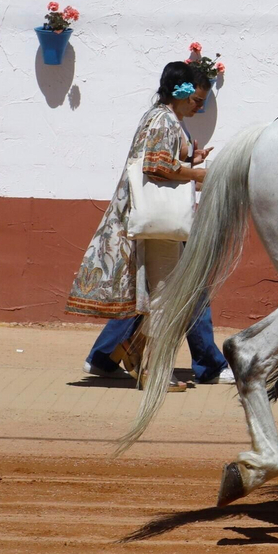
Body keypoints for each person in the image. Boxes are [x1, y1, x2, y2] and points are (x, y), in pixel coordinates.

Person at [69, 61, 231, 385]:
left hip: (159, 221)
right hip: (161, 224)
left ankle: (119, 357)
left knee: (157, 294)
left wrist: (190, 162)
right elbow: (157, 167)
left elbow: (160, 162)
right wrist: (198, 173)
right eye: (196, 99)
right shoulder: (163, 120)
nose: (198, 107)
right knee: (169, 294)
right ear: (181, 93)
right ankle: (157, 369)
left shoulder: (161, 118)